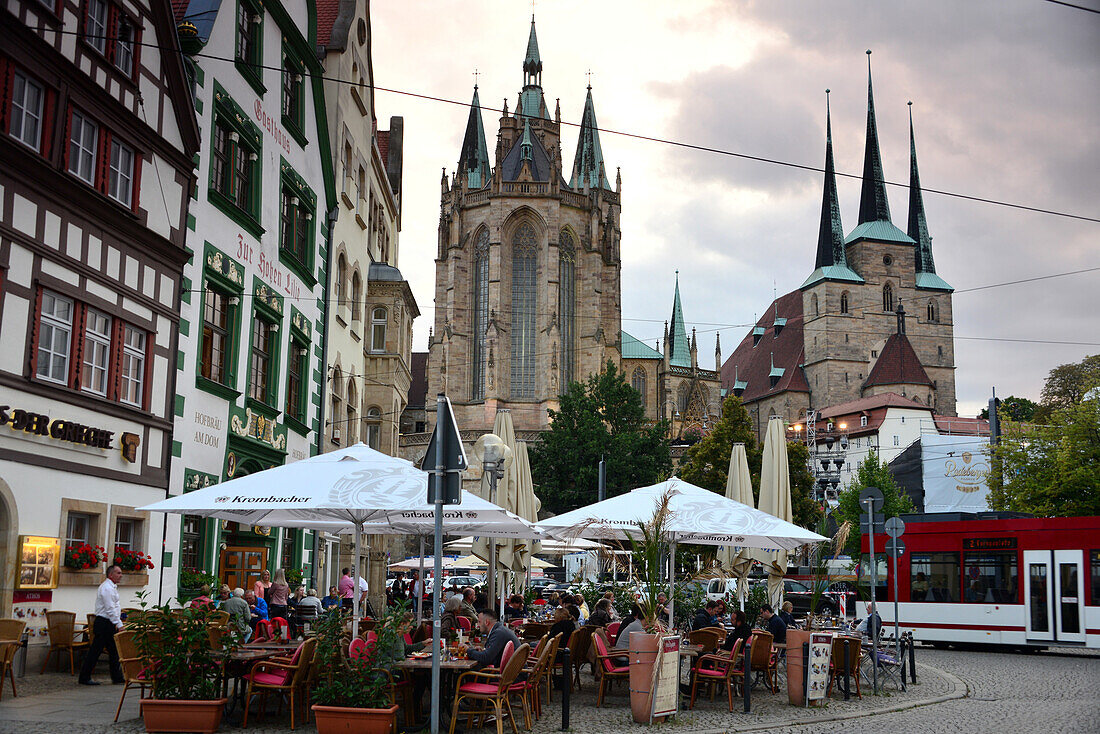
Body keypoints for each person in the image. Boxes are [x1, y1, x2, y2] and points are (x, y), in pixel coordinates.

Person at [78, 565, 125, 685]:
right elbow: (109, 609)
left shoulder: (112, 587)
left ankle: (116, 676)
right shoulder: (107, 588)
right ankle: (84, 677)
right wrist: (119, 624)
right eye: (118, 573)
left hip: (108, 623)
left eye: (121, 573)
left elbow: (115, 607)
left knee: (114, 651)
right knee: (96, 650)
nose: (121, 575)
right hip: (104, 622)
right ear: (111, 575)